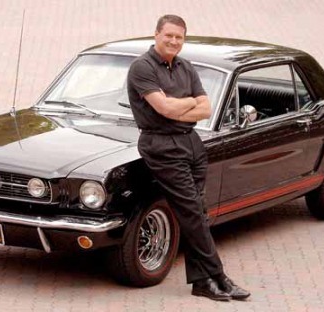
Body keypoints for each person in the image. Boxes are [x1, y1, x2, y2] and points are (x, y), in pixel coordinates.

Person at [127, 14, 250, 302]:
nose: (173, 41)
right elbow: (164, 109)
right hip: (161, 145)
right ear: (156, 34)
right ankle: (219, 276)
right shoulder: (141, 68)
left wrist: (181, 106)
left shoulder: (186, 66)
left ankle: (201, 283)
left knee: (197, 214)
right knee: (193, 213)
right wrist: (188, 103)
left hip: (192, 144)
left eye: (179, 37)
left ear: (183, 40)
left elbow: (206, 109)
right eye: (168, 35)